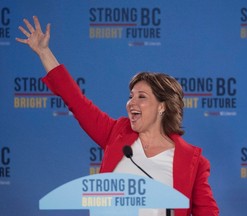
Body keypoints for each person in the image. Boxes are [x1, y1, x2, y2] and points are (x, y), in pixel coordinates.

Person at [16, 16, 219, 216]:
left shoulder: (194, 162)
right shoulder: (116, 133)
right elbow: (76, 101)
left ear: (162, 106)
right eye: (131, 96)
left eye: (142, 97)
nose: (132, 102)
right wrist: (44, 52)